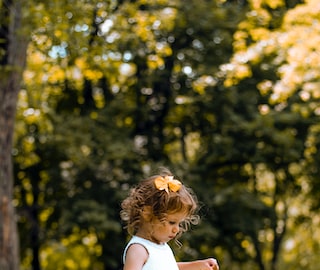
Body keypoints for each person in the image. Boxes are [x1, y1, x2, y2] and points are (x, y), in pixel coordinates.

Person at [120, 167, 219, 270]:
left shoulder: (162, 246)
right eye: (172, 222)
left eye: (179, 224)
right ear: (147, 213)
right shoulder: (138, 249)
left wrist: (197, 266)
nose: (177, 229)